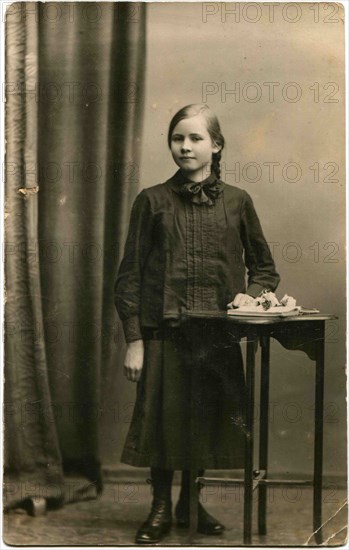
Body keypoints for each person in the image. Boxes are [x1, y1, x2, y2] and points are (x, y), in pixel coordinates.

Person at [114, 103, 280, 543]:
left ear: (216, 145)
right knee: (164, 423)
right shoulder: (151, 200)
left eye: (195, 138)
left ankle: (191, 501)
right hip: (164, 334)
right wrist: (135, 340)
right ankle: (161, 507)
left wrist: (252, 295)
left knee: (203, 422)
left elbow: (264, 268)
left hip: (217, 337)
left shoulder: (239, 202)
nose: (185, 146)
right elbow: (128, 276)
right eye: (177, 138)